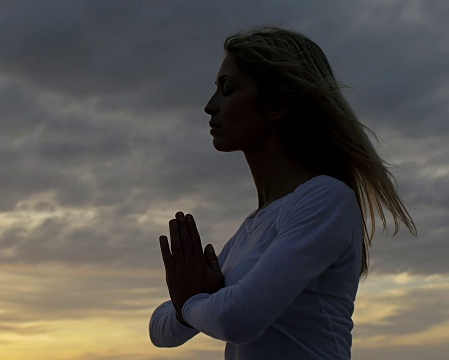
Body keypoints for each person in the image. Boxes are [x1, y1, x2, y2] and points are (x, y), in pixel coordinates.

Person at [149, 25, 417, 360]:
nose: (209, 106)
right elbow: (159, 330)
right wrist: (192, 304)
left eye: (227, 89)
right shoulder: (255, 224)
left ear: (276, 103)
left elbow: (239, 318)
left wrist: (190, 302)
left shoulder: (325, 199)